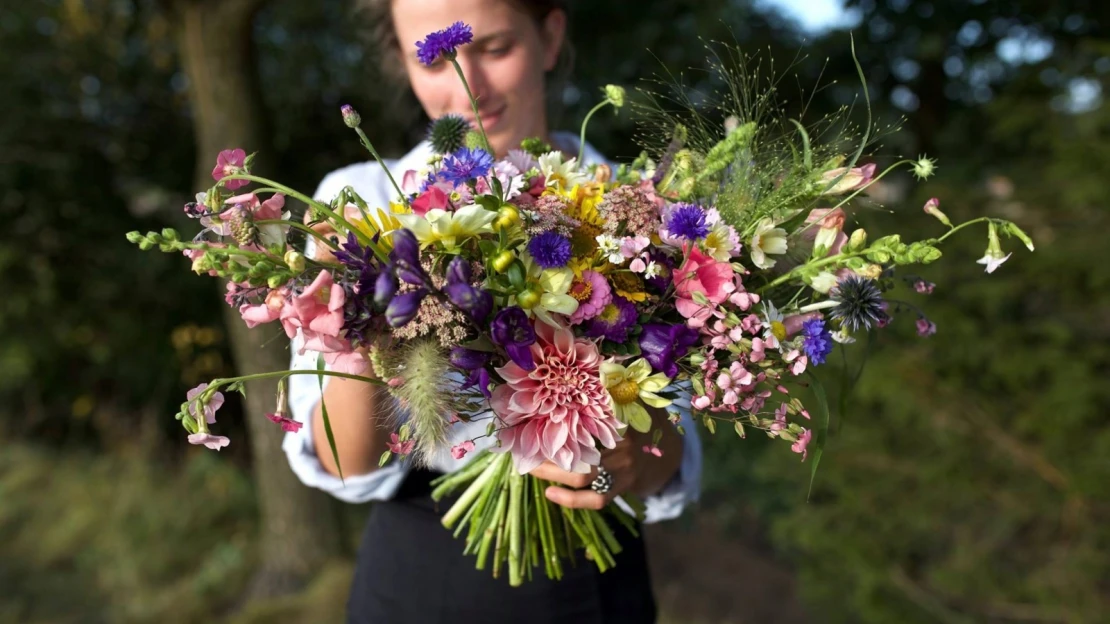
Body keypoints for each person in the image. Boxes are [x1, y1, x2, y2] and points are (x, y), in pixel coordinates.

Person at [282, 1, 702, 622]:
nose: (466, 87)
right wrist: (357, 309)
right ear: (403, 62)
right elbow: (346, 461)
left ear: (551, 36)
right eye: (433, 58)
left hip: (598, 586)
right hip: (421, 584)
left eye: (496, 48)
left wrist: (617, 471)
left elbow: (670, 443)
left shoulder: (637, 205)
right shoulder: (358, 206)